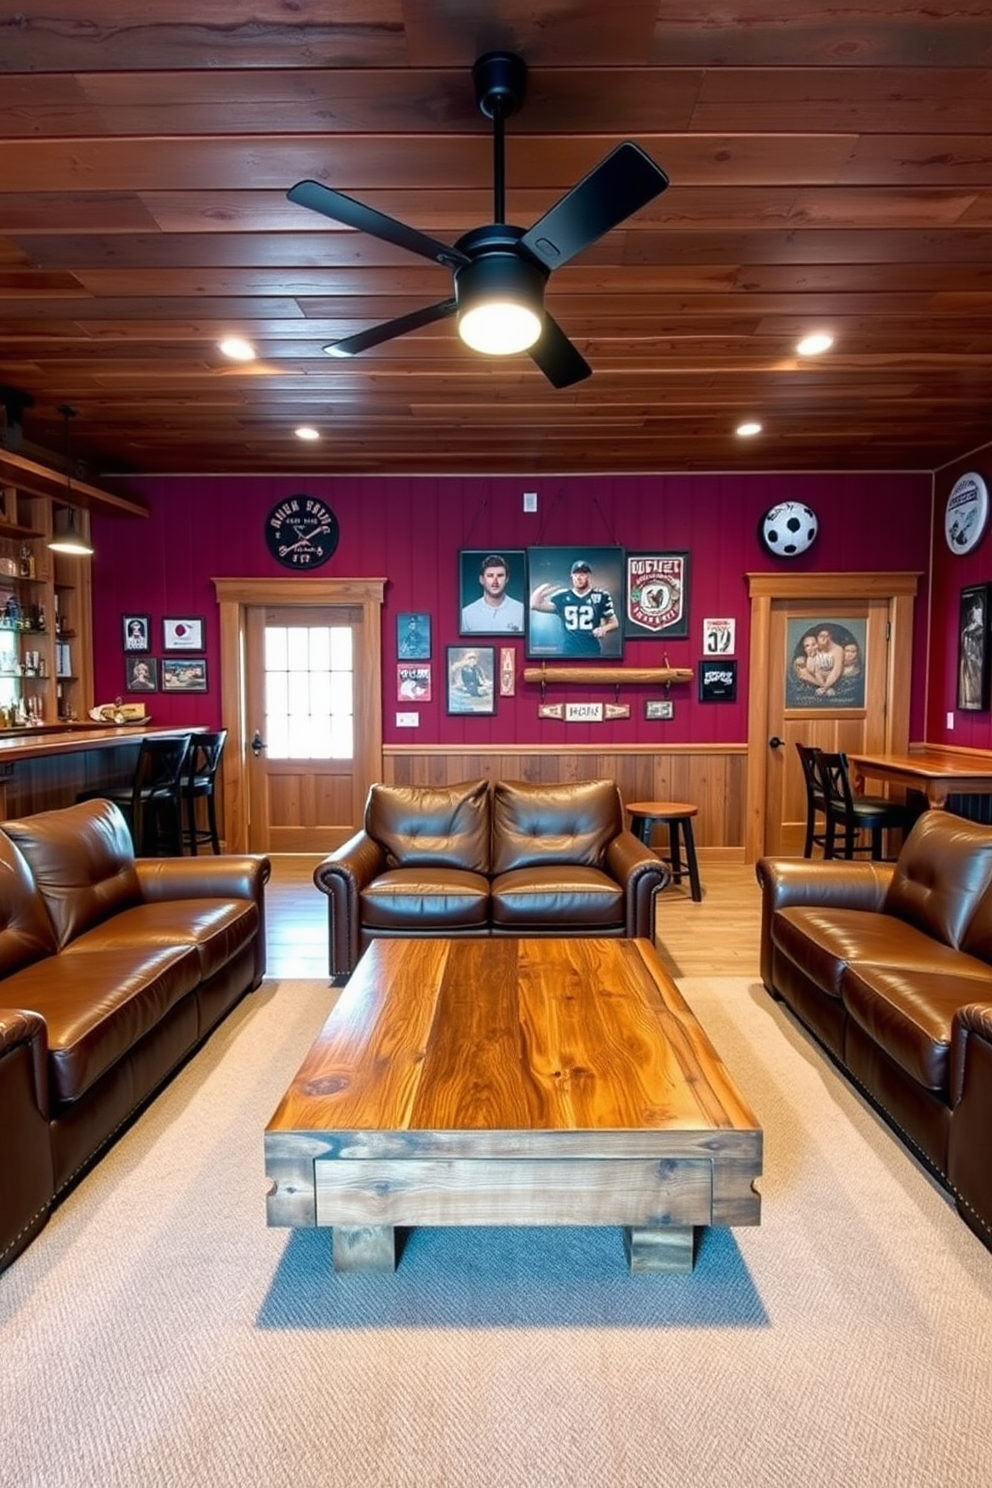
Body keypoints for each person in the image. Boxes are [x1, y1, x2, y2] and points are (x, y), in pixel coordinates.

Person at [529, 558, 619, 656]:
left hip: (592, 651)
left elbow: (614, 623)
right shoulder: (562, 597)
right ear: (571, 576)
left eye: (582, 574)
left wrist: (604, 629)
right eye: (576, 574)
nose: (578, 578)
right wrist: (544, 587)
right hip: (569, 652)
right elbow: (534, 605)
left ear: (588, 576)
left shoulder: (601, 596)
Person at [460, 554, 524, 633]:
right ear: (481, 579)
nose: (495, 581)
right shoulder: (466, 614)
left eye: (500, 576)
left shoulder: (521, 611)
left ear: (507, 579)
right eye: (490, 576)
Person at [960, 598, 985, 708]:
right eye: (974, 609)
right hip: (968, 668)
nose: (975, 611)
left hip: (977, 668)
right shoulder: (966, 633)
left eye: (978, 608)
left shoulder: (983, 632)